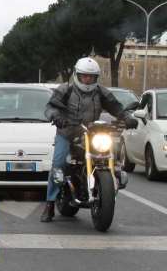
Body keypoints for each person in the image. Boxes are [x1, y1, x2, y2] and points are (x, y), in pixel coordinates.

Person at [41, 57, 139, 222]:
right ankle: (50, 204)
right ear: (77, 75)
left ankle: (111, 179)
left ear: (96, 77)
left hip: (92, 132)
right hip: (67, 132)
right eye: (84, 76)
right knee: (59, 165)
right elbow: (50, 107)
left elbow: (117, 107)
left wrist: (127, 118)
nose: (87, 79)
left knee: (109, 151)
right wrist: (56, 117)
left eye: (91, 77)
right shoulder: (66, 89)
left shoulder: (101, 92)